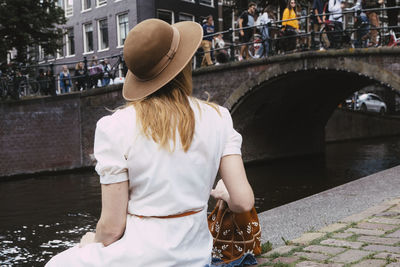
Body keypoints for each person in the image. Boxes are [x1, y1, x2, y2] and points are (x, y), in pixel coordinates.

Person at [45, 18, 254, 267]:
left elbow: (112, 228)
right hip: (195, 259)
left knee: (57, 263)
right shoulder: (219, 117)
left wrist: (92, 241)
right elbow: (243, 201)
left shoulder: (114, 127)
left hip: (140, 259)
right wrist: (223, 193)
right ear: (184, 64)